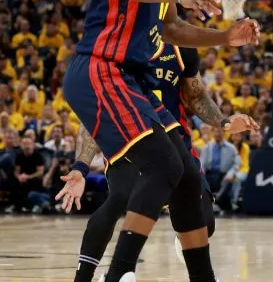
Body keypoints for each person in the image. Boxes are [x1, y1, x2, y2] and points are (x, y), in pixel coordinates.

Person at [60, 0, 259, 282]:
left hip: (126, 81)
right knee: (159, 169)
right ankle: (117, 275)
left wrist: (225, 37)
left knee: (185, 174)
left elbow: (170, 30)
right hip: (102, 69)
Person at [57, 43, 258, 282]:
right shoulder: (122, 47)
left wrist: (224, 122)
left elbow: (196, 97)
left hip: (175, 140)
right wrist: (81, 166)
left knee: (204, 220)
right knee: (119, 197)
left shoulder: (181, 47)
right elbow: (96, 114)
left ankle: (178, 251)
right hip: (133, 142)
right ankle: (91, 276)